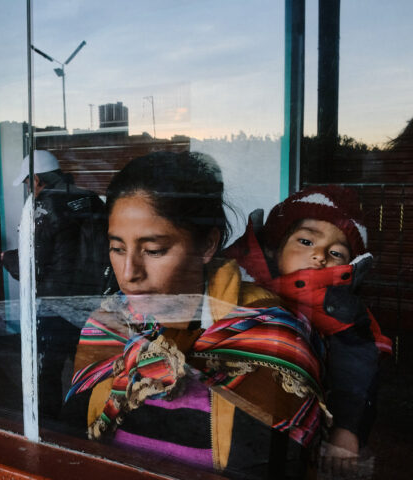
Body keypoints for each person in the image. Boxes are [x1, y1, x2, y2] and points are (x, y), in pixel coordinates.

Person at [62, 152, 325, 477]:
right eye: (117, 248)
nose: (129, 273)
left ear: (206, 246)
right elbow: (74, 446)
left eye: (154, 250)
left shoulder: (265, 337)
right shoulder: (110, 326)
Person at [224, 185, 392, 476]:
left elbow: (356, 376)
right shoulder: (235, 283)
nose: (319, 256)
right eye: (305, 241)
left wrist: (346, 428)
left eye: (336, 252)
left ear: (351, 266)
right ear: (276, 248)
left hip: (301, 436)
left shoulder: (341, 310)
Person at [2, 150, 109, 297]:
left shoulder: (44, 209)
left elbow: (33, 265)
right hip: (94, 289)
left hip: (58, 295)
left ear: (36, 180)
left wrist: (7, 258)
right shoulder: (91, 198)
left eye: (28, 184)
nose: (29, 190)